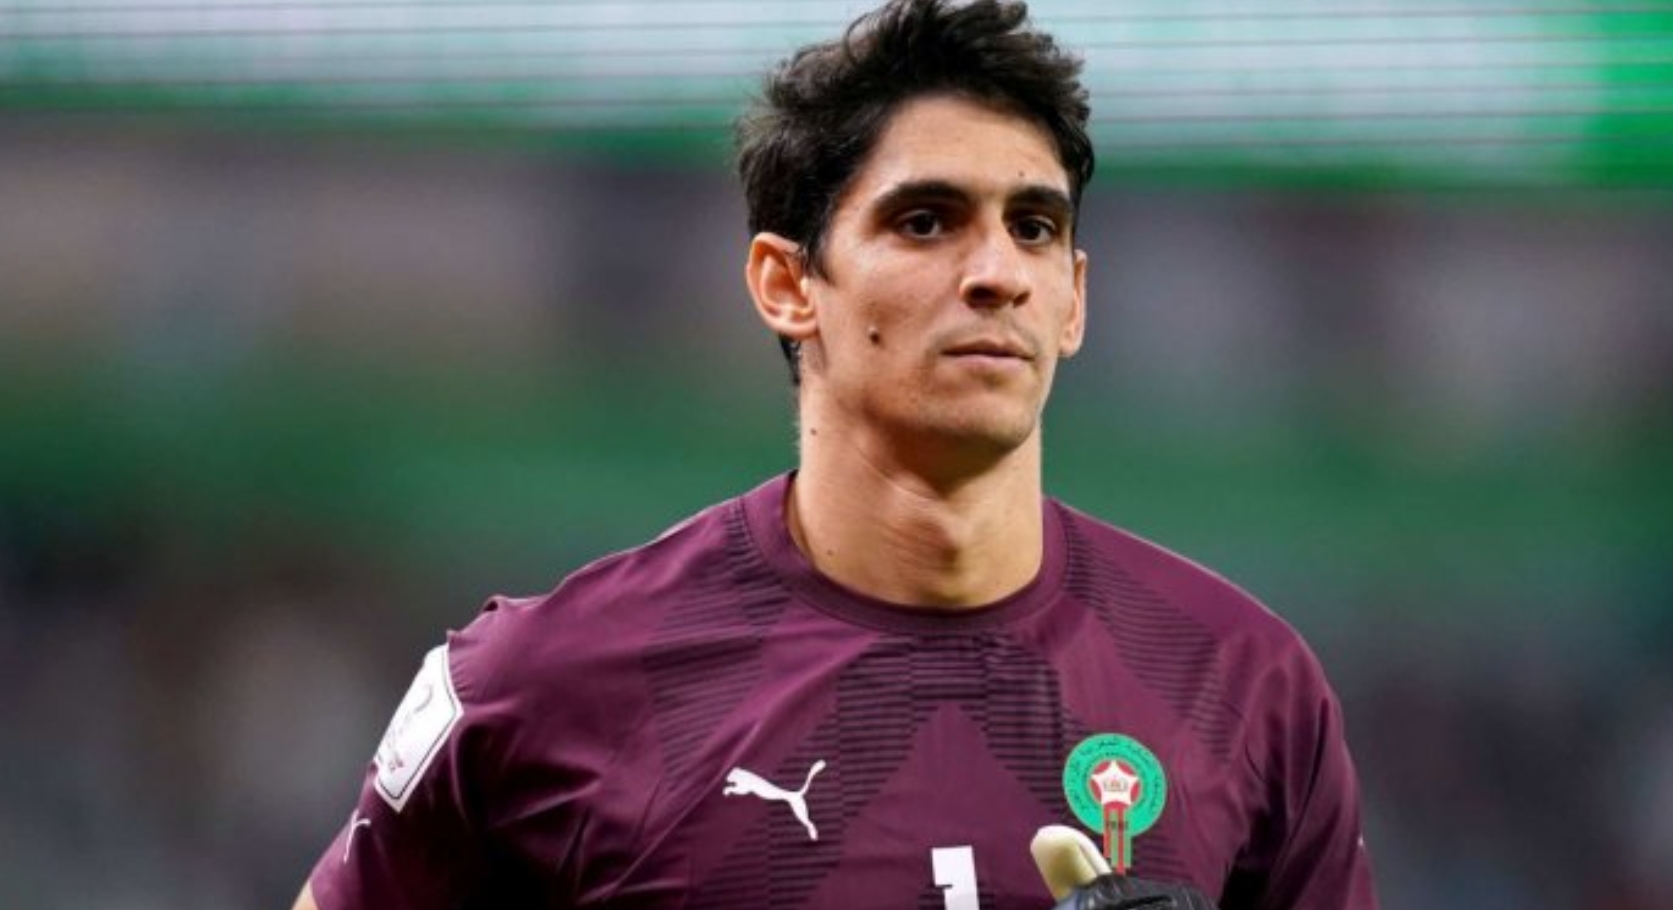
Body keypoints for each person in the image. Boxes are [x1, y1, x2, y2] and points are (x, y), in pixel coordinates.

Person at [291, 1, 1379, 907]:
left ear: (1073, 301)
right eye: (925, 222)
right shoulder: (543, 686)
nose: (996, 272)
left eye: (1034, 227)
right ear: (786, 283)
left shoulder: (1244, 683)